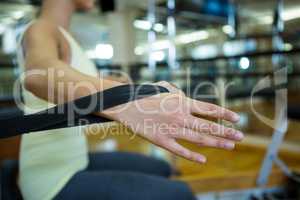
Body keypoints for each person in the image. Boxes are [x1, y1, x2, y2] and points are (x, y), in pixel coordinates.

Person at [16, 0, 244, 199]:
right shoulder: (40, 28)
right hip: (51, 180)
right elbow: (41, 76)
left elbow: (81, 79)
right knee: (180, 193)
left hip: (76, 160)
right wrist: (128, 100)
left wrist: (142, 90)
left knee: (161, 167)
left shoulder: (65, 36)